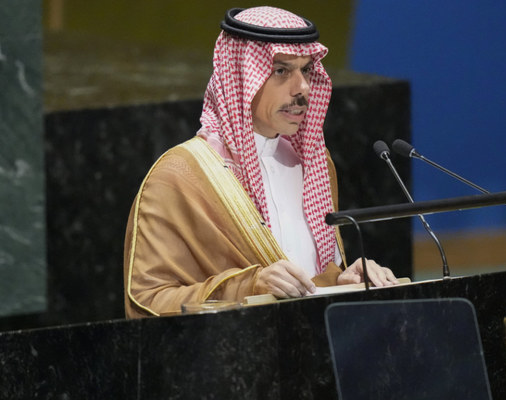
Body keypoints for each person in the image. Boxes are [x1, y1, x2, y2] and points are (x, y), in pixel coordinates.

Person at [123, 6, 398, 318]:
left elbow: (306, 285)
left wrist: (343, 280)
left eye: (306, 70)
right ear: (240, 78)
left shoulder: (315, 166)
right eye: (281, 71)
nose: (303, 89)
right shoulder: (180, 175)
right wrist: (249, 288)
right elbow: (146, 301)